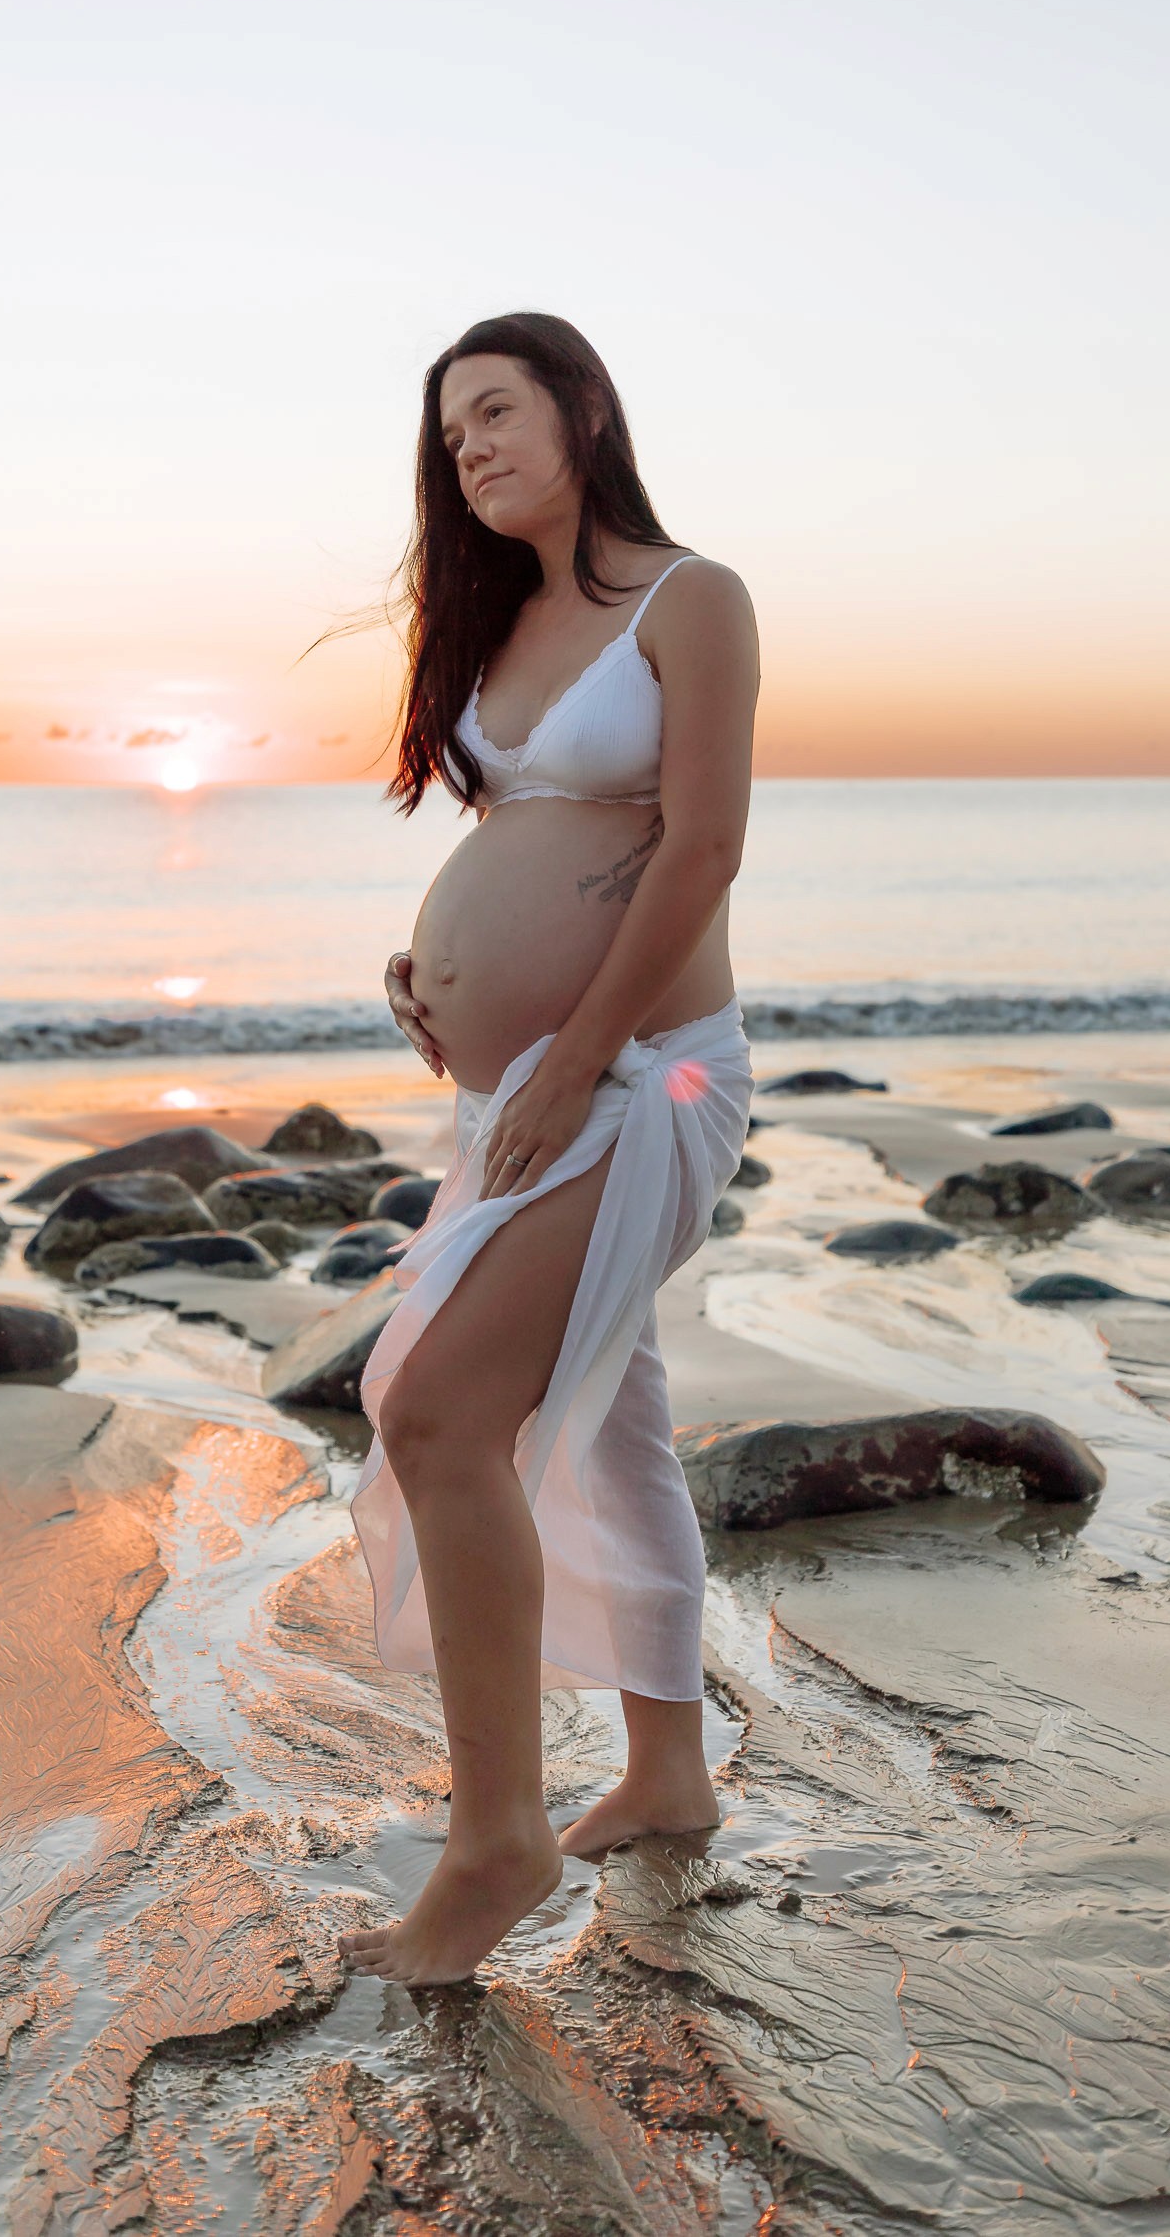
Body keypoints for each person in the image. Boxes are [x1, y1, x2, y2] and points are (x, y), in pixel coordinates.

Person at [339, 312, 759, 1985]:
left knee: (436, 1406)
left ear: (584, 407)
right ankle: (666, 1773)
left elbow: (703, 847)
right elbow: (533, 843)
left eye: (497, 413)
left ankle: (493, 1839)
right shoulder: (503, 626)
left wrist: (567, 1056)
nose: (474, 450)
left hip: (645, 1078)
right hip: (520, 1085)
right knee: (617, 1424)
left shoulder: (691, 599)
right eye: (451, 436)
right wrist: (433, 976)